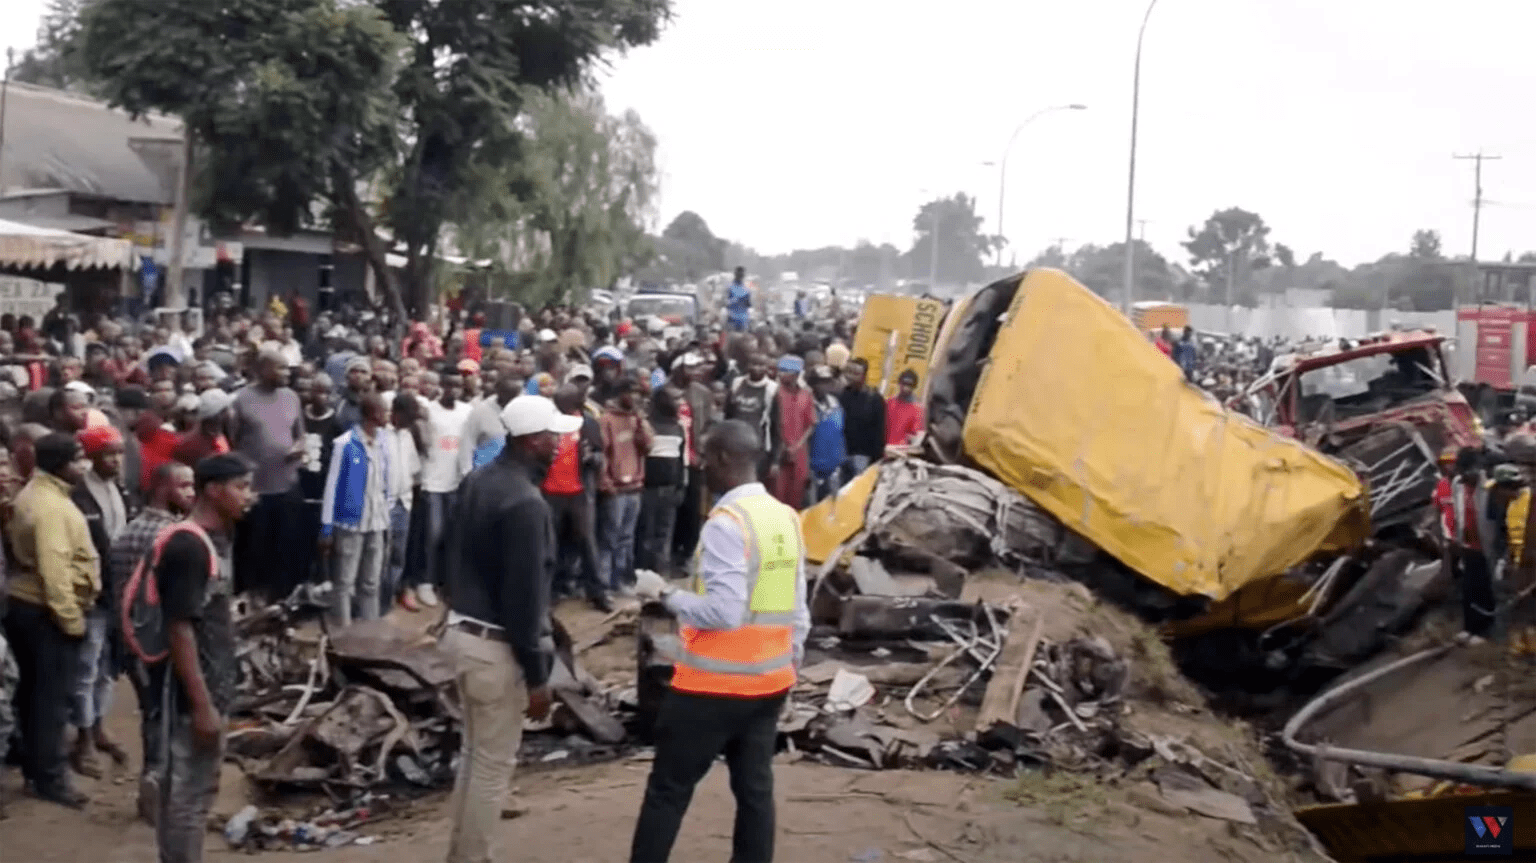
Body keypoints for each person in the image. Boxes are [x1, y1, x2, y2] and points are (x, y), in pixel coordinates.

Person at [628, 419, 810, 863]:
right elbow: (798, 606)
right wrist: (789, 665)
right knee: (755, 793)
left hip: (711, 687)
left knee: (667, 792)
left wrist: (665, 596)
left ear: (726, 459)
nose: (700, 465)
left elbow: (726, 612)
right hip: (768, 681)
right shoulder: (785, 516)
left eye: (706, 456)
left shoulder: (726, 524)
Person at [440, 395, 577, 863]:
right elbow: (523, 600)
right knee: (492, 767)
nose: (559, 443)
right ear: (532, 441)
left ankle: (463, 852)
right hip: (494, 647)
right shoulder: (526, 503)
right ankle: (472, 857)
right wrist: (538, 677)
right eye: (553, 436)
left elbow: (444, 554)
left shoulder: (478, 481)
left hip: (462, 634)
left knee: (476, 756)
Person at [155, 454, 255, 863]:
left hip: (212, 686)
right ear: (213, 490)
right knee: (189, 797)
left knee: (193, 792)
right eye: (242, 487)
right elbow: (179, 629)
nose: (251, 496)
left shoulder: (218, 538)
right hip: (193, 694)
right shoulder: (188, 546)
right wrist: (202, 706)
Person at [4, 432, 98, 808]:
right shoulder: (50, 507)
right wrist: (71, 621)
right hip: (46, 612)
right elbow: (55, 570)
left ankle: (35, 768)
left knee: (33, 697)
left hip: (29, 606)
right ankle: (49, 778)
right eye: (78, 459)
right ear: (61, 465)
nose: (84, 466)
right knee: (50, 702)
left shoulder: (39, 494)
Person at [110, 461, 196, 824]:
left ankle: (153, 783)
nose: (192, 493)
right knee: (170, 718)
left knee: (151, 715)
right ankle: (161, 789)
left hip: (130, 640)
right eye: (186, 485)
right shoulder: (174, 537)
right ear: (164, 489)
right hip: (161, 641)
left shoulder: (127, 532)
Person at [68, 423, 131, 779]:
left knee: (108, 667)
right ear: (92, 457)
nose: (117, 460)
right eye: (109, 455)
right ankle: (83, 738)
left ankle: (99, 725)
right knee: (86, 667)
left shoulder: (118, 490)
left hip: (119, 593)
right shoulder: (78, 495)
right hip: (92, 595)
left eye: (120, 453)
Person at [229, 350, 306, 599]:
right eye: (280, 368)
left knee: (284, 549)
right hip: (255, 491)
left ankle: (281, 602)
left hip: (287, 485)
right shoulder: (241, 399)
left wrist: (298, 447)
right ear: (262, 369)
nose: (287, 373)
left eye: (287, 368)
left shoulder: (292, 397)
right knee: (254, 551)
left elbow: (300, 434)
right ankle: (251, 602)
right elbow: (232, 441)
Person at [320, 393, 394, 626]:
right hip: (350, 523)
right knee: (344, 582)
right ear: (372, 415)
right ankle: (344, 632)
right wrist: (327, 526)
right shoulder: (345, 444)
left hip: (377, 521)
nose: (388, 416)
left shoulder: (384, 441)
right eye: (385, 411)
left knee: (371, 582)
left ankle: (369, 630)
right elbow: (331, 487)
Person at [545, 385, 609, 611]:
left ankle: (597, 592)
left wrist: (591, 457)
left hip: (580, 493)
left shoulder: (588, 423)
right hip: (550, 492)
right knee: (550, 544)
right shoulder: (548, 422)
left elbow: (601, 456)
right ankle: (550, 592)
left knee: (587, 544)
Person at [411, 371, 472, 608]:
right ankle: (424, 581)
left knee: (452, 535)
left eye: (458, 386)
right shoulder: (429, 411)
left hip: (457, 482)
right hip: (433, 482)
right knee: (432, 534)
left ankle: (446, 582)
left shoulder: (467, 412)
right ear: (442, 386)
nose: (454, 390)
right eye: (450, 385)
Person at [599, 377, 653, 591]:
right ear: (621, 394)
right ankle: (603, 584)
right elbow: (602, 453)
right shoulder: (607, 420)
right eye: (631, 393)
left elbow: (649, 446)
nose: (636, 398)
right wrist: (605, 481)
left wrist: (641, 422)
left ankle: (621, 580)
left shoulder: (637, 418)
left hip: (635, 487)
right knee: (609, 538)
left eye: (639, 394)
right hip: (615, 488)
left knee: (626, 538)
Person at [1442, 447, 1497, 644]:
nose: (1464, 477)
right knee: (1468, 589)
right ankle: (1469, 627)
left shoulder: (1489, 488)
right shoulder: (1458, 485)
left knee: (1485, 589)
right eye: (1461, 472)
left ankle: (1484, 631)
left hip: (1484, 545)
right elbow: (1457, 514)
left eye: (1468, 473)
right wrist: (1455, 540)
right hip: (1466, 544)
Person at [639, 387, 687, 575]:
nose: (677, 404)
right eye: (672, 400)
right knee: (646, 534)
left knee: (664, 534)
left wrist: (681, 485)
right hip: (648, 488)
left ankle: (660, 572)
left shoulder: (678, 427)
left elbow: (681, 459)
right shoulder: (647, 425)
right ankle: (643, 573)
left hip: (670, 489)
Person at [770, 355, 814, 509]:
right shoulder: (775, 393)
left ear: (796, 374)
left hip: (799, 454)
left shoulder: (806, 395)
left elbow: (811, 424)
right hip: (779, 452)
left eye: (786, 371)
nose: (781, 374)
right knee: (776, 496)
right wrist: (785, 446)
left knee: (796, 497)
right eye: (780, 371)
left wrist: (797, 445)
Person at [727, 353, 780, 478]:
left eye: (761, 365)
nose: (756, 368)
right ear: (747, 365)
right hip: (735, 443)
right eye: (753, 364)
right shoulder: (737, 383)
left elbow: (776, 426)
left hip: (758, 446)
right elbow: (728, 414)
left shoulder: (772, 389)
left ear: (767, 368)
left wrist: (775, 459)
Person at [838, 357, 885, 478]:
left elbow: (879, 431)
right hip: (841, 452)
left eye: (856, 373)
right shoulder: (843, 395)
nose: (851, 377)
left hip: (862, 455)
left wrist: (876, 459)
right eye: (849, 372)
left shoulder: (874, 399)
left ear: (864, 376)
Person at [806, 365, 846, 503]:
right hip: (812, 467)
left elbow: (839, 433)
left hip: (833, 465)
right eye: (822, 382)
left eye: (828, 382)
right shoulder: (806, 402)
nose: (826, 386)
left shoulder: (835, 403)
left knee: (831, 507)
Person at [884, 369, 925, 448]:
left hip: (900, 453)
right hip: (883, 449)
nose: (905, 388)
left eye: (909, 385)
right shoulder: (889, 403)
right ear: (899, 383)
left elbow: (915, 436)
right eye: (904, 384)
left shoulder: (917, 410)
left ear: (914, 387)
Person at [726, 267, 753, 333]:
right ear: (736, 274)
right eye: (739, 274)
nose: (741, 276)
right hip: (732, 318)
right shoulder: (729, 287)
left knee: (742, 339)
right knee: (733, 339)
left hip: (743, 319)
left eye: (742, 275)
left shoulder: (746, 288)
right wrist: (734, 300)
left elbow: (749, 304)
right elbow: (724, 303)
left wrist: (746, 301)